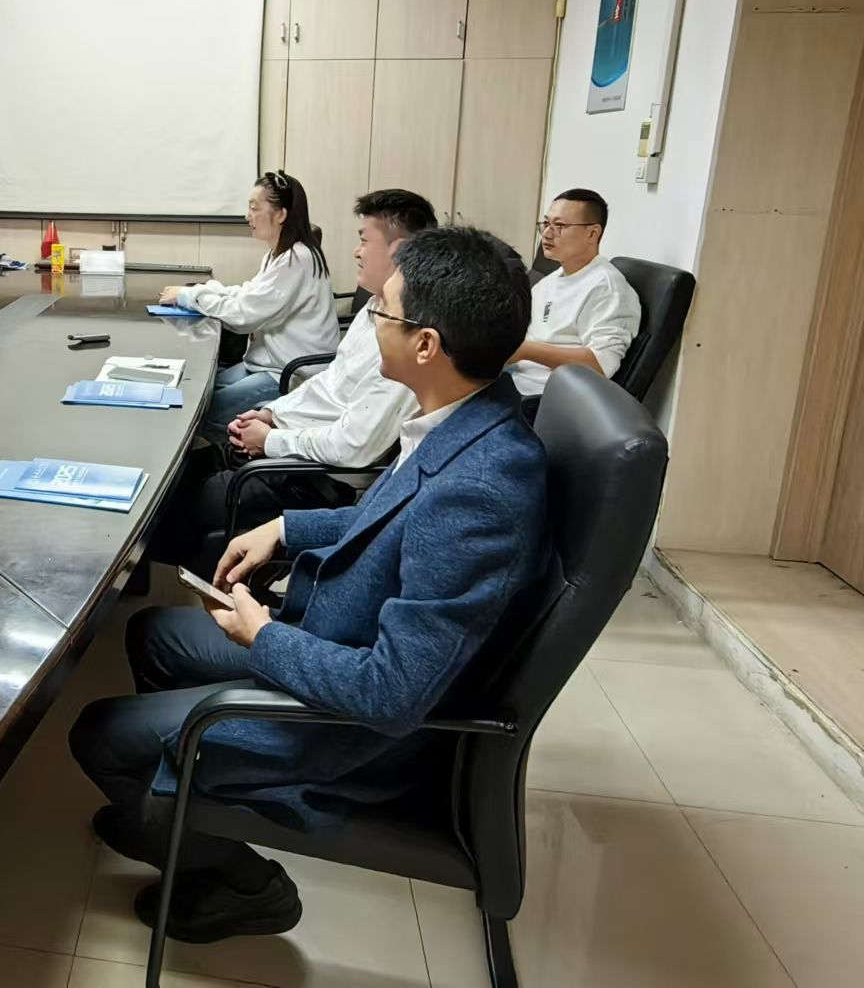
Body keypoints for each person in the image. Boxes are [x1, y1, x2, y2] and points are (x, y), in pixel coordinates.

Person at [71, 226, 548, 945]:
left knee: (98, 734)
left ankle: (247, 885)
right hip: (335, 635)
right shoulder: (467, 416)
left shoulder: (481, 489)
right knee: (154, 634)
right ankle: (175, 809)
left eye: (382, 311)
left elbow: (392, 693)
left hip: (352, 722)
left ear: (426, 344)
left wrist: (263, 636)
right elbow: (391, 517)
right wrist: (285, 528)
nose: (369, 321)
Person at [145, 189, 436, 570]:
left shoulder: (405, 340)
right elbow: (329, 382)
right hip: (295, 447)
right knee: (172, 475)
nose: (356, 251)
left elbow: (353, 448)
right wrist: (273, 414)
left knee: (161, 507)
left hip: (314, 478)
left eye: (364, 240)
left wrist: (271, 440)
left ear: (397, 251)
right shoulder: (375, 307)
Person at [159, 171, 339, 445]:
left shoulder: (297, 260)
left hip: (290, 375)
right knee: (199, 388)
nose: (248, 216)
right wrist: (201, 291)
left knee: (201, 412)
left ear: (281, 214)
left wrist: (188, 296)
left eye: (255, 208)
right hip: (268, 363)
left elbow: (244, 315)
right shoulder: (280, 255)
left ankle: (218, 463)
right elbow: (249, 293)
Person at [509, 188, 641, 408]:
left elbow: (600, 365)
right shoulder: (550, 280)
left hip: (544, 399)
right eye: (546, 223)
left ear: (592, 234)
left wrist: (524, 350)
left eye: (559, 226)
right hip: (514, 381)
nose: (547, 234)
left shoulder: (606, 289)